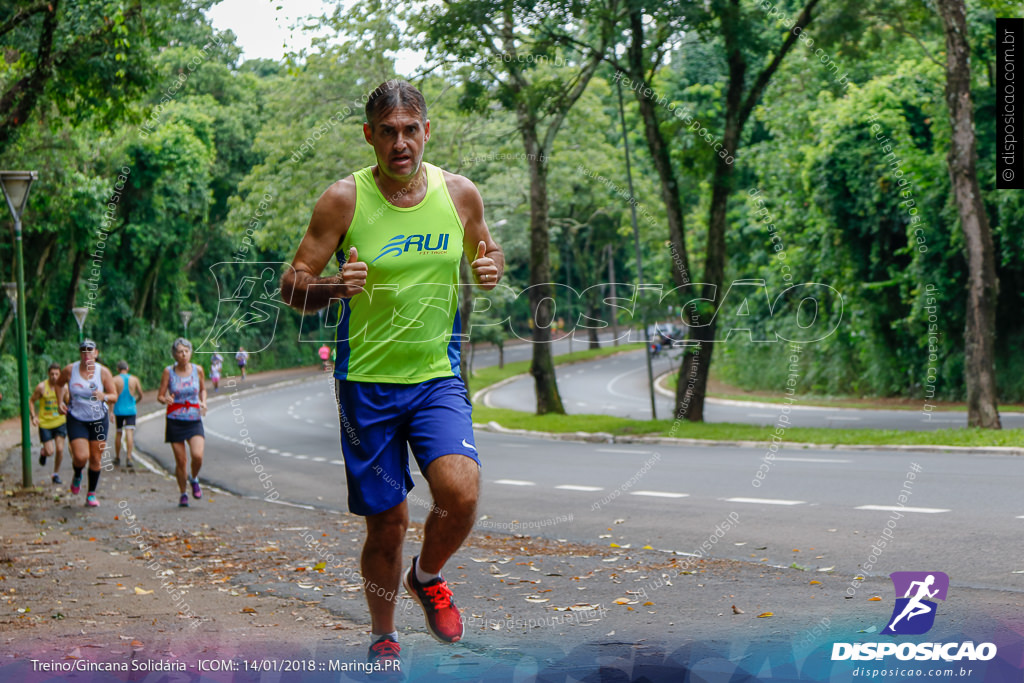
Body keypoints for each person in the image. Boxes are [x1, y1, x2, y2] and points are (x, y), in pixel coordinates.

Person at [280, 79, 503, 674]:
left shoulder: (459, 195)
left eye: (411, 130)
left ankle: (426, 578)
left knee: (461, 494)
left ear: (427, 131)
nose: (400, 143)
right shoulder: (343, 201)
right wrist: (331, 286)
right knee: (389, 522)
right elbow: (292, 284)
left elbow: (489, 253)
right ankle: (383, 636)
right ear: (370, 136)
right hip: (367, 384)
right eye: (388, 132)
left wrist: (489, 268)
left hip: (436, 377)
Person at [52, 339, 117, 507]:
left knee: (96, 458)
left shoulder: (103, 372)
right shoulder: (69, 370)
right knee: (81, 457)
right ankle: (78, 473)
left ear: (96, 353)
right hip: (77, 418)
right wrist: (60, 402)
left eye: (90, 351)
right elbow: (59, 385)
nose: (87, 354)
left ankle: (91, 494)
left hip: (98, 419)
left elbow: (114, 395)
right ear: (80, 353)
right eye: (83, 351)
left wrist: (105, 397)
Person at [158, 338, 207, 508]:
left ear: (191, 352)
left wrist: (203, 402)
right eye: (180, 351)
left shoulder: (198, 370)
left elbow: (202, 389)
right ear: (174, 354)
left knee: (197, 456)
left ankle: (194, 478)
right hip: (175, 420)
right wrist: (166, 399)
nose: (183, 354)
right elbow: (160, 395)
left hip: (194, 419)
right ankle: (183, 493)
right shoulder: (168, 372)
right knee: (181, 461)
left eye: (186, 350)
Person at [29, 363, 69, 484]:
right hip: (45, 423)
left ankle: (55, 474)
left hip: (60, 422)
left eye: (57, 374)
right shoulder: (41, 387)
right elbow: (31, 401)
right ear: (48, 374)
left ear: (60, 374)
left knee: (60, 449)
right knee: (50, 451)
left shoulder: (65, 388)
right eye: (52, 374)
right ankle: (44, 453)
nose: (54, 377)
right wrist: (33, 416)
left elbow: (69, 402)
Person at [111, 360, 143, 469]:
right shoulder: (134, 379)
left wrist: (110, 411)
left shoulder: (114, 380)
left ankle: (117, 457)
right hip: (130, 409)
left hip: (119, 409)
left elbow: (112, 397)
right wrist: (135, 401)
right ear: (127, 368)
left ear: (117, 369)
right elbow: (141, 394)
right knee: (129, 432)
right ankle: (129, 457)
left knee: (119, 432)